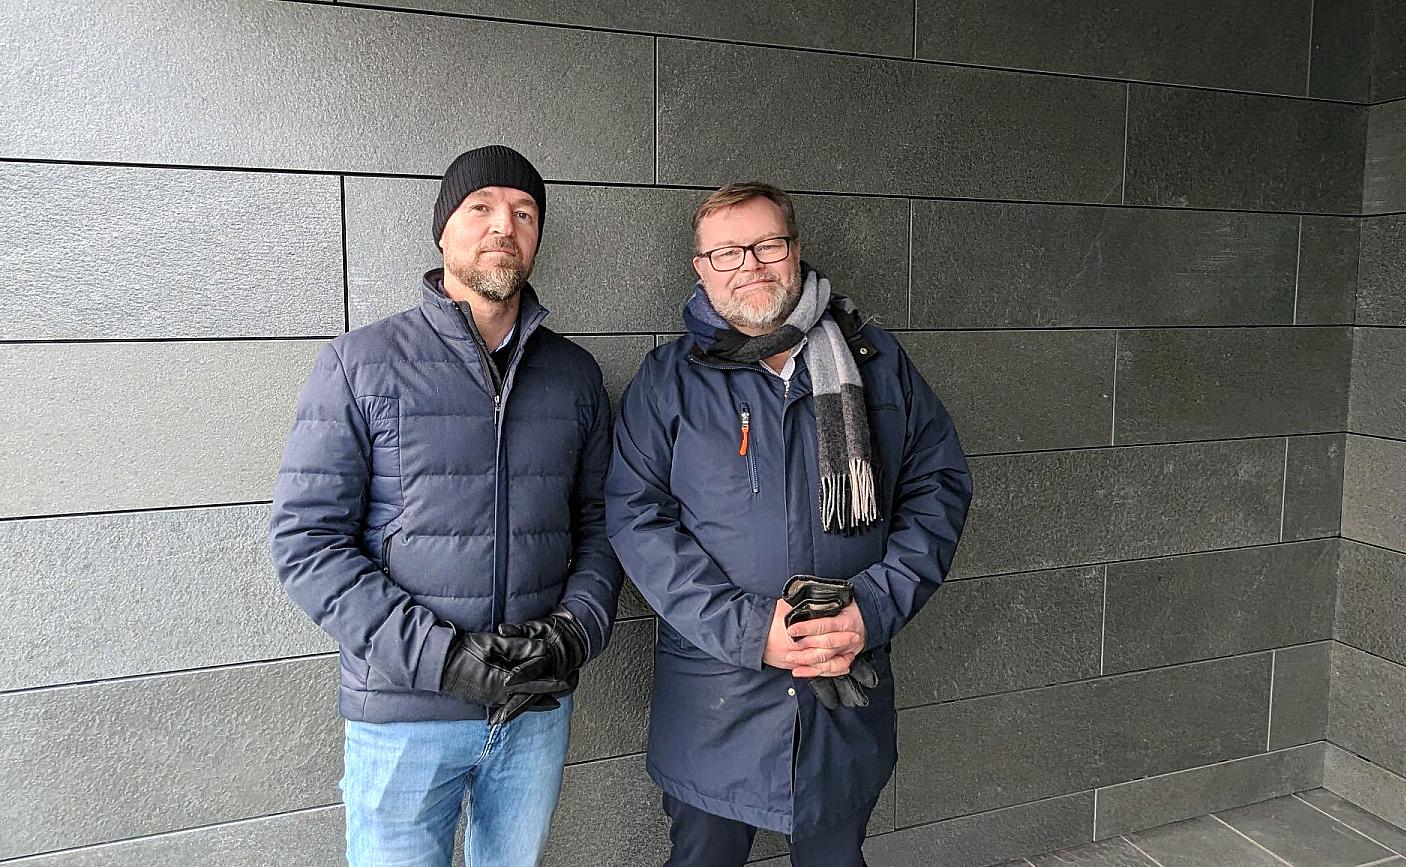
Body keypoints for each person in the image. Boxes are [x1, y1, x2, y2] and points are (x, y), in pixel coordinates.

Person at [269, 145, 621, 867]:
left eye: (524, 212)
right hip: (403, 715)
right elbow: (307, 543)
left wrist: (572, 634)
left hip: (533, 710)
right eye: (481, 208)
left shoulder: (576, 376)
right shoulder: (361, 363)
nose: (504, 226)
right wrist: (445, 658)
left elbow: (603, 526)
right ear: (443, 231)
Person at [606, 182, 973, 866]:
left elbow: (939, 488)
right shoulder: (667, 382)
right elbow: (636, 519)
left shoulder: (876, 362)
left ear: (796, 250)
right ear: (700, 267)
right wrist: (750, 630)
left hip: (844, 686)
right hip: (716, 700)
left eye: (767, 243)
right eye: (725, 251)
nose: (749, 263)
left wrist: (873, 608)